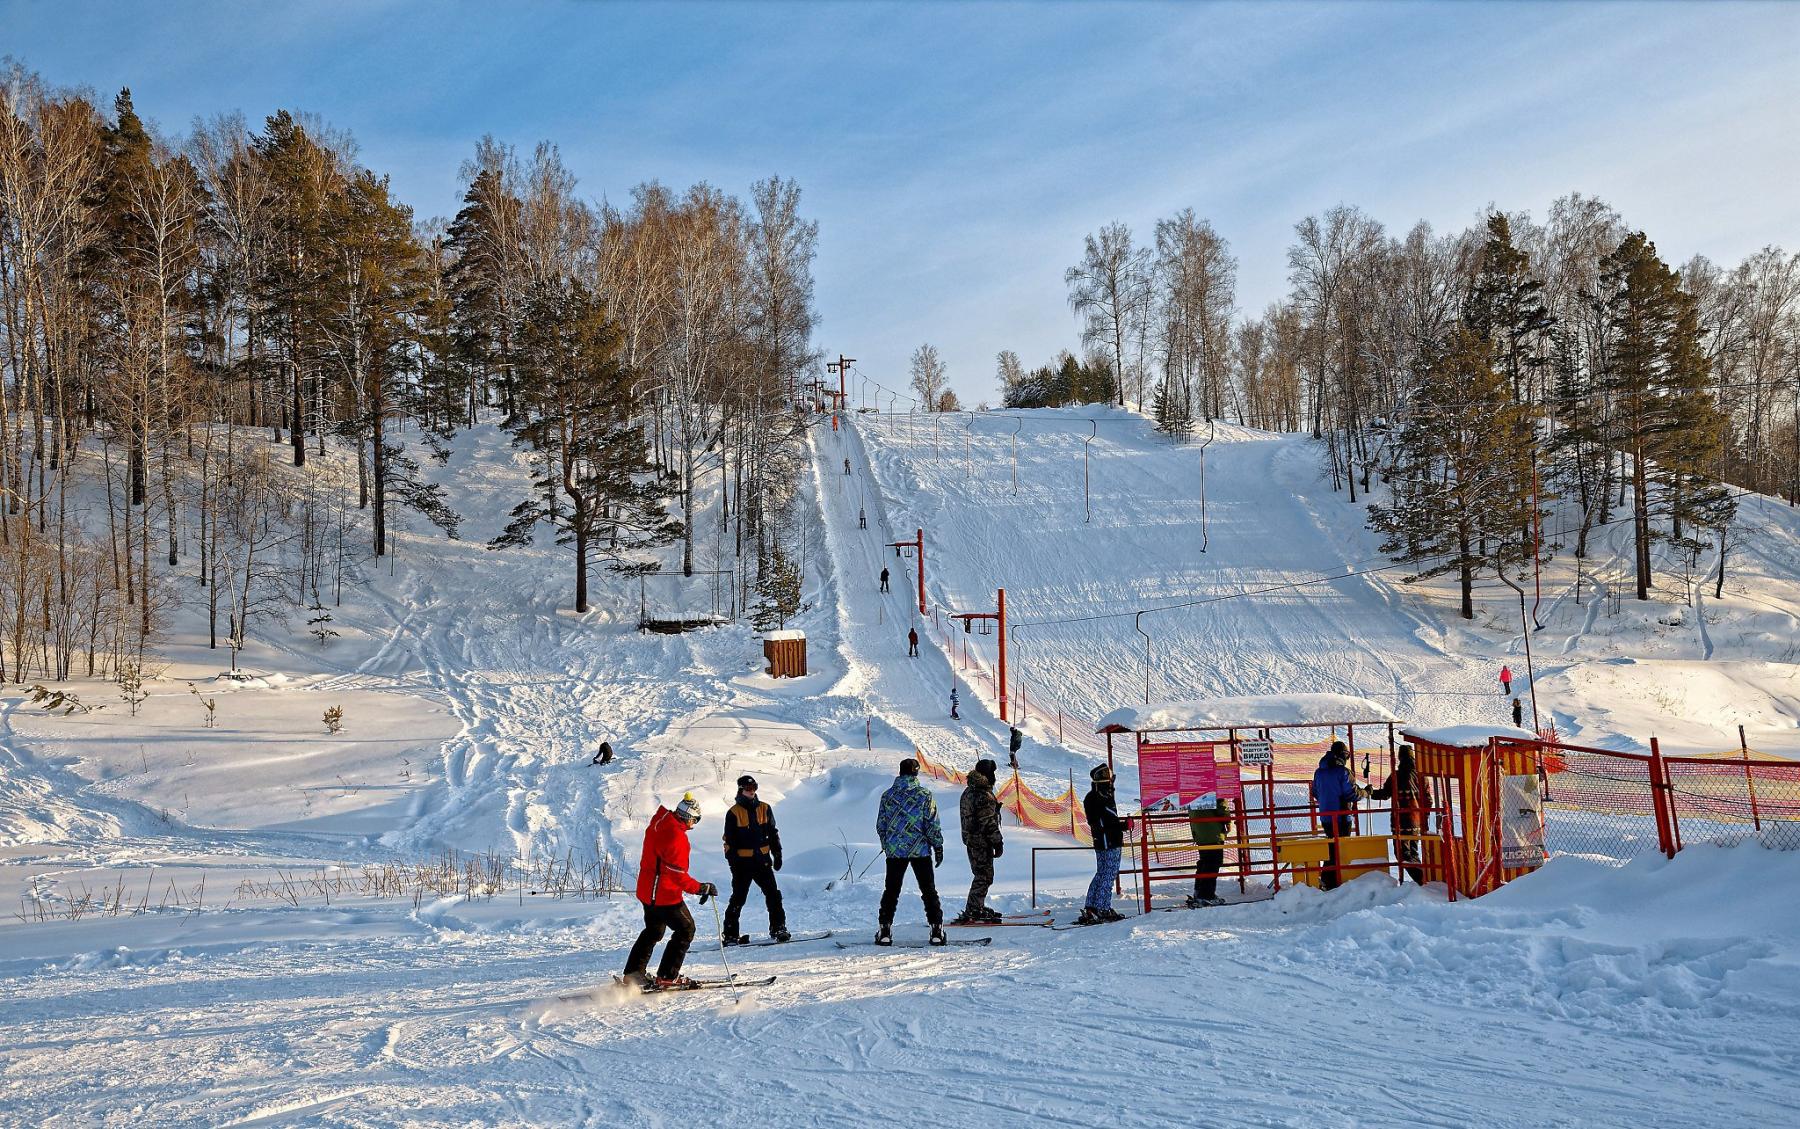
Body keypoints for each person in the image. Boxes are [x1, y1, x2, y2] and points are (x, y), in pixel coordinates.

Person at [622, 793, 718, 989]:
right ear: (688, 817)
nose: (694, 824)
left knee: (654, 930)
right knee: (686, 929)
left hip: (647, 891)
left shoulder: (661, 821)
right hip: (663, 895)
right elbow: (678, 876)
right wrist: (701, 888)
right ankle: (667, 975)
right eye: (695, 820)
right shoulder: (677, 837)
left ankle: (633, 973)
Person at [875, 758, 947, 946]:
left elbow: (881, 824)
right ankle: (937, 929)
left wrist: (887, 844)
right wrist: (937, 846)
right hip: (920, 850)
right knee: (928, 890)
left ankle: (884, 929)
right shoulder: (924, 795)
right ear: (916, 773)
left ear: (900, 772)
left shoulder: (887, 796)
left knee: (891, 890)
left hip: (895, 851)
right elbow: (932, 824)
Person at [721, 775, 788, 945]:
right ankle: (730, 934)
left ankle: (778, 928)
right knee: (738, 898)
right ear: (741, 790)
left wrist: (777, 854)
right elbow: (729, 842)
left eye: (754, 788)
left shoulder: (765, 808)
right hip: (742, 863)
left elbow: (773, 833)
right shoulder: (733, 813)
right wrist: (733, 864)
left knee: (773, 895)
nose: (751, 792)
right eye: (748, 789)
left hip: (762, 861)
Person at [1369, 745, 1435, 885]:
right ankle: (1424, 881)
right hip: (1416, 822)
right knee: (1413, 853)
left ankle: (1422, 880)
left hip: (1401, 822)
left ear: (1400, 758)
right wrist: (1424, 817)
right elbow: (1429, 800)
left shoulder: (1396, 775)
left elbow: (1385, 794)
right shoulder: (1422, 776)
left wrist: (1370, 792)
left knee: (1402, 854)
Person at [953, 759, 1005, 924]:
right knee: (984, 876)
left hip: (972, 839)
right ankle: (974, 909)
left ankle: (976, 906)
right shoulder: (983, 794)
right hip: (981, 841)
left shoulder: (969, 791)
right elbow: (988, 823)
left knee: (981, 874)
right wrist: (998, 842)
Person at [1077, 764, 1127, 924]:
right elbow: (1107, 822)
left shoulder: (1096, 796)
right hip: (1108, 841)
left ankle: (1092, 906)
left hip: (1103, 840)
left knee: (1102, 873)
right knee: (1108, 874)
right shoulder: (1100, 798)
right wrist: (1124, 826)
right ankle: (1102, 908)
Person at [1311, 742, 1359, 891]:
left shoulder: (1319, 772)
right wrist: (1366, 792)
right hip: (1342, 816)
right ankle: (1333, 882)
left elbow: (1315, 792)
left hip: (1326, 817)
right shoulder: (1342, 772)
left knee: (1332, 848)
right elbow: (1352, 793)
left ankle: (1328, 880)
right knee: (1340, 849)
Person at [1185, 791, 1232, 908]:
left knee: (1205, 861)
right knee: (1213, 863)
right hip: (1212, 830)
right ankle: (1206, 895)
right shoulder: (1212, 786)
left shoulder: (1192, 787)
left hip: (1199, 830)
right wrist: (1228, 821)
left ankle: (1199, 891)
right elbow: (1221, 805)